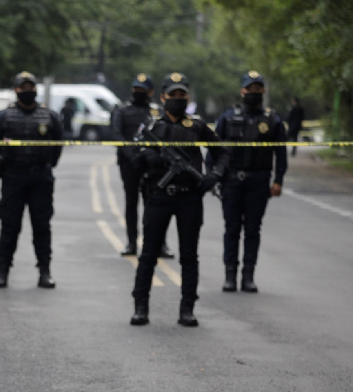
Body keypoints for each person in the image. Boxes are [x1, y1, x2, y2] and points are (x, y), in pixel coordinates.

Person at [130, 72, 229, 327]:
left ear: (188, 96)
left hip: (189, 197)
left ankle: (187, 309)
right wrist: (147, 157)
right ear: (163, 97)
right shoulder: (152, 127)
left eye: (181, 94)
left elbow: (222, 153)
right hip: (159, 195)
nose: (177, 98)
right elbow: (133, 158)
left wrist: (214, 175)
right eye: (172, 94)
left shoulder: (197, 126)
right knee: (149, 253)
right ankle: (141, 307)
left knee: (189, 255)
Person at [0, 71, 63, 289]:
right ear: (16, 90)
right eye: (23, 87)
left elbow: (58, 143)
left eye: (31, 87)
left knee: (42, 226)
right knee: (9, 226)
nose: (27, 91)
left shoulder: (49, 116)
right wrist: (2, 165)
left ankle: (44, 271)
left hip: (40, 178)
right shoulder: (4, 117)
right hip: (14, 177)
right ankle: (3, 271)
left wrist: (48, 164)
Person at [214, 71, 287, 293]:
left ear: (263, 91)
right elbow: (214, 149)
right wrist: (214, 176)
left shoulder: (272, 120)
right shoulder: (228, 117)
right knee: (232, 229)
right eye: (250, 89)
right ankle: (230, 275)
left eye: (257, 89)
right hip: (232, 180)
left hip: (259, 180)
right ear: (242, 90)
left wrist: (278, 180)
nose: (253, 92)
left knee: (253, 230)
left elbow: (281, 153)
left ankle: (248, 276)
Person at [110, 73, 174, 258]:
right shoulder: (122, 110)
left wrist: (150, 155)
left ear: (151, 92)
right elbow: (116, 134)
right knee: (131, 203)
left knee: (156, 204)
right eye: (136, 89)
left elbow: (164, 133)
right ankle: (131, 243)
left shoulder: (157, 110)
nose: (138, 92)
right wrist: (132, 155)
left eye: (142, 90)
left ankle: (159, 243)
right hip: (129, 163)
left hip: (152, 164)